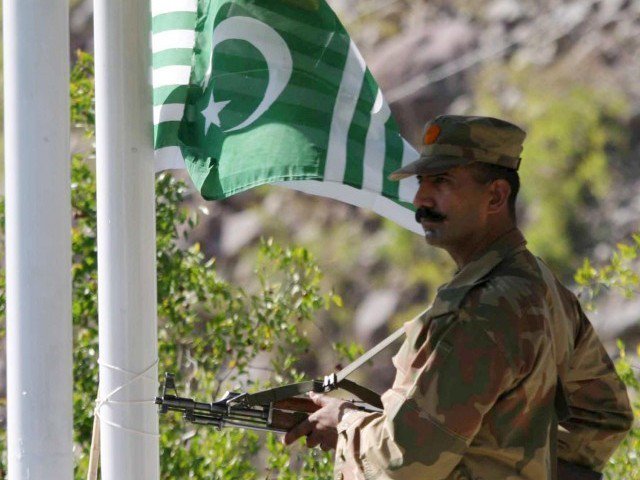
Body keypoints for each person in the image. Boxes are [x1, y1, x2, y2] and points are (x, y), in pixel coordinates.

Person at [283, 115, 634, 479]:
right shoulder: (539, 283)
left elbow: (403, 463)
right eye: (422, 181)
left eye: (442, 181)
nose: (421, 197)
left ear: (496, 196)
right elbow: (605, 418)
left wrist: (344, 424)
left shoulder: (485, 308)